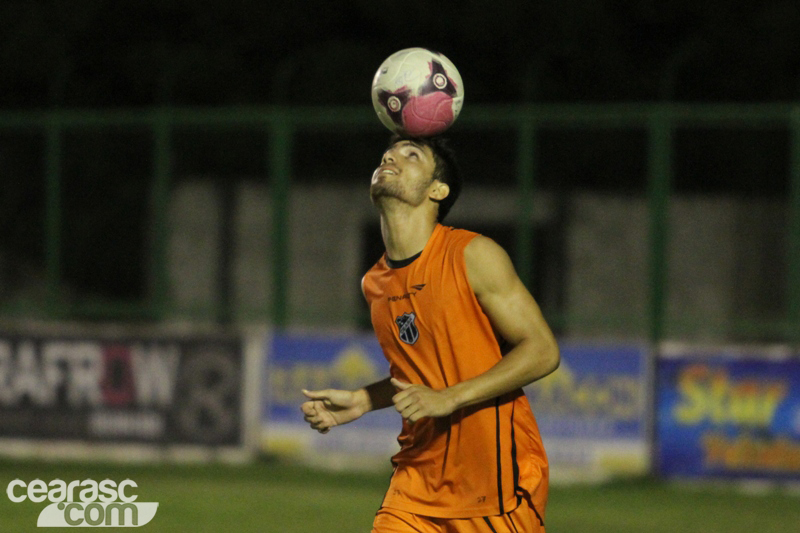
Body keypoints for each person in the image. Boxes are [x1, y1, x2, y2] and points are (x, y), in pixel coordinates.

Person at [301, 135, 560, 533]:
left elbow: (542, 350)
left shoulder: (473, 255)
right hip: (417, 480)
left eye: (412, 155)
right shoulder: (375, 283)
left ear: (438, 190)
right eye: (388, 153)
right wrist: (362, 399)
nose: (390, 157)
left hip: (494, 481)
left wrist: (450, 397)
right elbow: (420, 374)